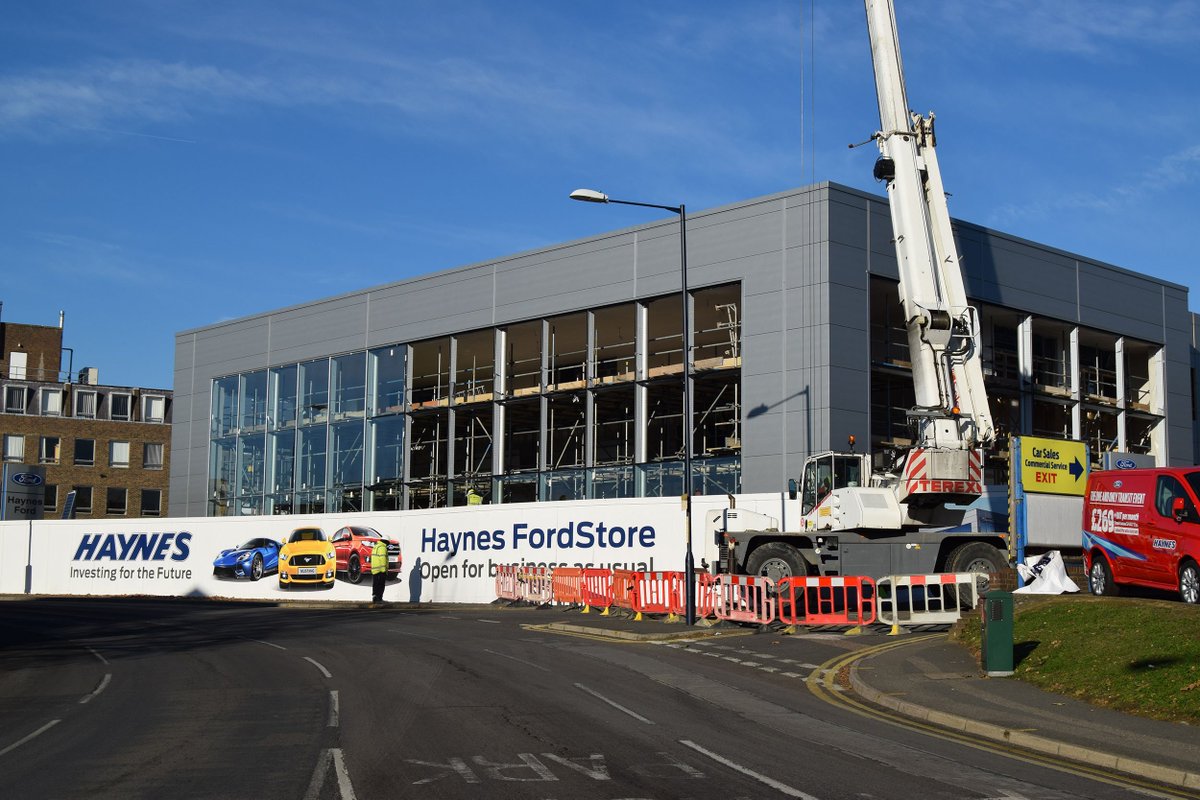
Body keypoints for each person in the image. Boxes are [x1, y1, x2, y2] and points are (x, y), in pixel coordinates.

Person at [370, 538, 388, 603]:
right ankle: (379, 599)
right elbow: (382, 558)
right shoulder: (382, 547)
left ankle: (375, 598)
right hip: (380, 570)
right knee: (381, 585)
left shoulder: (376, 546)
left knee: (375, 584)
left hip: (375, 569)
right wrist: (384, 570)